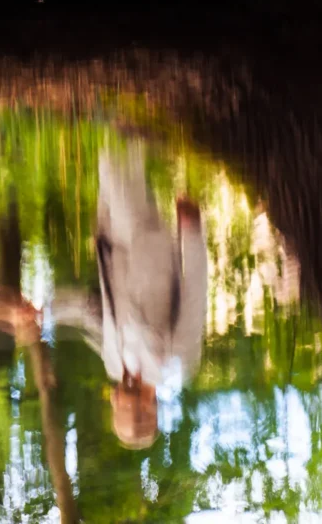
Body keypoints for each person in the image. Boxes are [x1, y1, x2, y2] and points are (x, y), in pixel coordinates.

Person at [53, 142, 207, 449]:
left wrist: (47, 310)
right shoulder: (177, 365)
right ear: (145, 407)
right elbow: (195, 299)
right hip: (147, 246)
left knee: (112, 164)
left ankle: (125, 111)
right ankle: (118, 107)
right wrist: (191, 234)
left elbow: (92, 312)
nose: (113, 400)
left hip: (112, 244)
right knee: (115, 158)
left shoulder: (113, 364)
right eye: (122, 407)